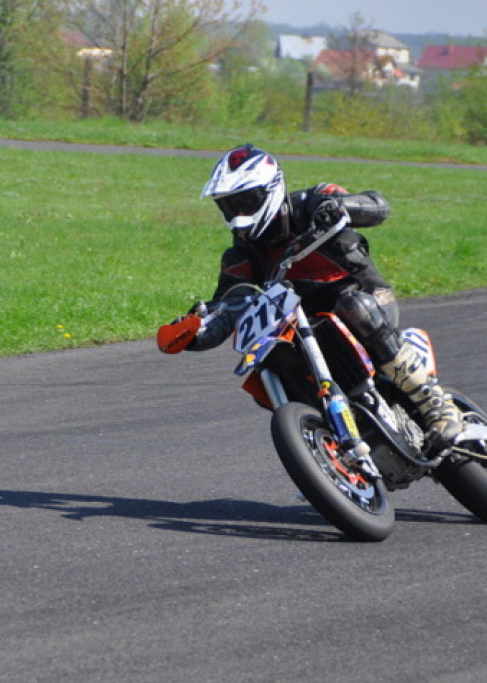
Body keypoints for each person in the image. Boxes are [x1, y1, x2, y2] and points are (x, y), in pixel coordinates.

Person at [157, 143, 463, 452]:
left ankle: (436, 406)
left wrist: (344, 208)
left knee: (354, 306)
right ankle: (323, 456)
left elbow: (378, 205)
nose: (239, 215)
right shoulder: (240, 254)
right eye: (229, 206)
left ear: (271, 190)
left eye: (247, 202)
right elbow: (228, 304)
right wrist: (195, 331)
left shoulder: (313, 201)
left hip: (365, 297)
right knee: (268, 362)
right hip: (307, 326)